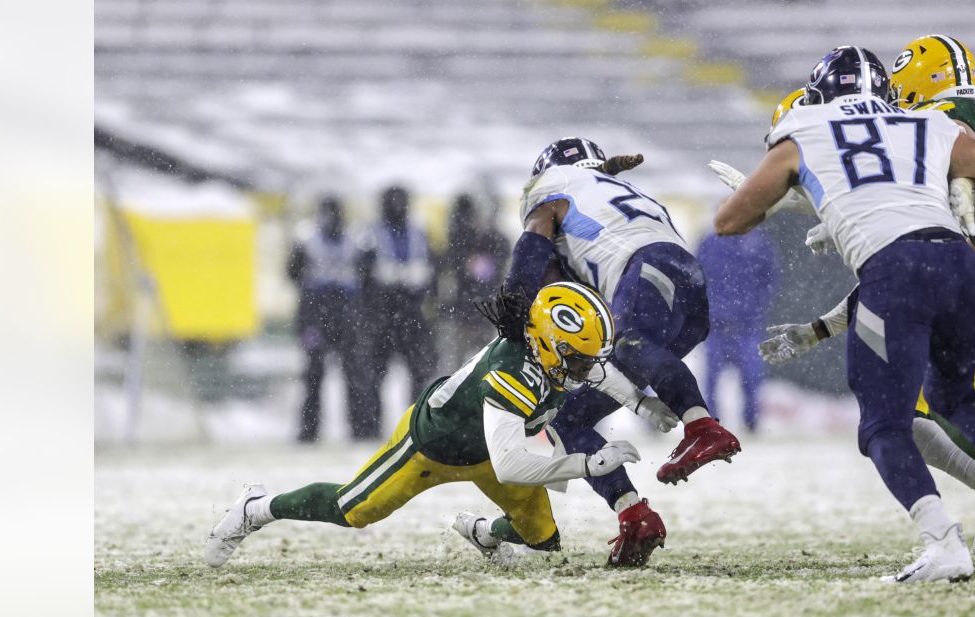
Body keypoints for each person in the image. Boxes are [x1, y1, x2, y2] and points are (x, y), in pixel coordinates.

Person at [713, 46, 975, 582]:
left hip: (894, 270)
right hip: (962, 264)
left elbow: (730, 221)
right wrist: (974, 196)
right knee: (957, 395)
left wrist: (792, 194)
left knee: (884, 424)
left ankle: (943, 542)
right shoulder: (928, 124)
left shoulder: (804, 130)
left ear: (820, 95)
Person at [205, 283, 663, 568]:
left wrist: (642, 404)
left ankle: (482, 534)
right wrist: (588, 464)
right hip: (431, 446)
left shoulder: (554, 356)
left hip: (484, 450)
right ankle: (256, 508)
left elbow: (601, 371)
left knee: (543, 542)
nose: (586, 370)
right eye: (577, 360)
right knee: (355, 509)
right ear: (548, 344)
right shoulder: (512, 372)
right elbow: (512, 467)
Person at [503, 138, 736, 566]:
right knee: (568, 420)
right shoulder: (609, 193)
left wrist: (513, 303)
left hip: (646, 269)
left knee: (631, 341)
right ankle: (634, 513)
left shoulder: (550, 195)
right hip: (686, 287)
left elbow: (537, 254)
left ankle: (702, 427)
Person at [287, 196, 372, 443]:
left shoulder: (355, 241)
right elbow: (293, 273)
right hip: (319, 313)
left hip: (343, 313)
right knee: (314, 375)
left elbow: (366, 276)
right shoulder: (308, 241)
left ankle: (360, 428)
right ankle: (310, 430)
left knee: (352, 374)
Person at [359, 185, 436, 440]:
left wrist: (424, 288)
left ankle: (415, 428)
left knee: (418, 375)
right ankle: (371, 429)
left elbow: (434, 267)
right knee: (375, 376)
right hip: (383, 313)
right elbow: (362, 276)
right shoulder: (370, 234)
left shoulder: (418, 233)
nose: (397, 206)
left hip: (413, 311)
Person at [696, 228, 780, 433]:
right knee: (712, 380)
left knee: (752, 378)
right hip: (717, 326)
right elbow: (694, 276)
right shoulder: (709, 242)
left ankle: (751, 422)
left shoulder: (757, 241)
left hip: (746, 326)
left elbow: (770, 277)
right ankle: (712, 425)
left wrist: (754, 306)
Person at [440, 192, 510, 368]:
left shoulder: (497, 239)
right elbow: (455, 270)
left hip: (487, 307)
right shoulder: (461, 238)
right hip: (464, 307)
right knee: (458, 359)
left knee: (486, 358)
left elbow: (497, 268)